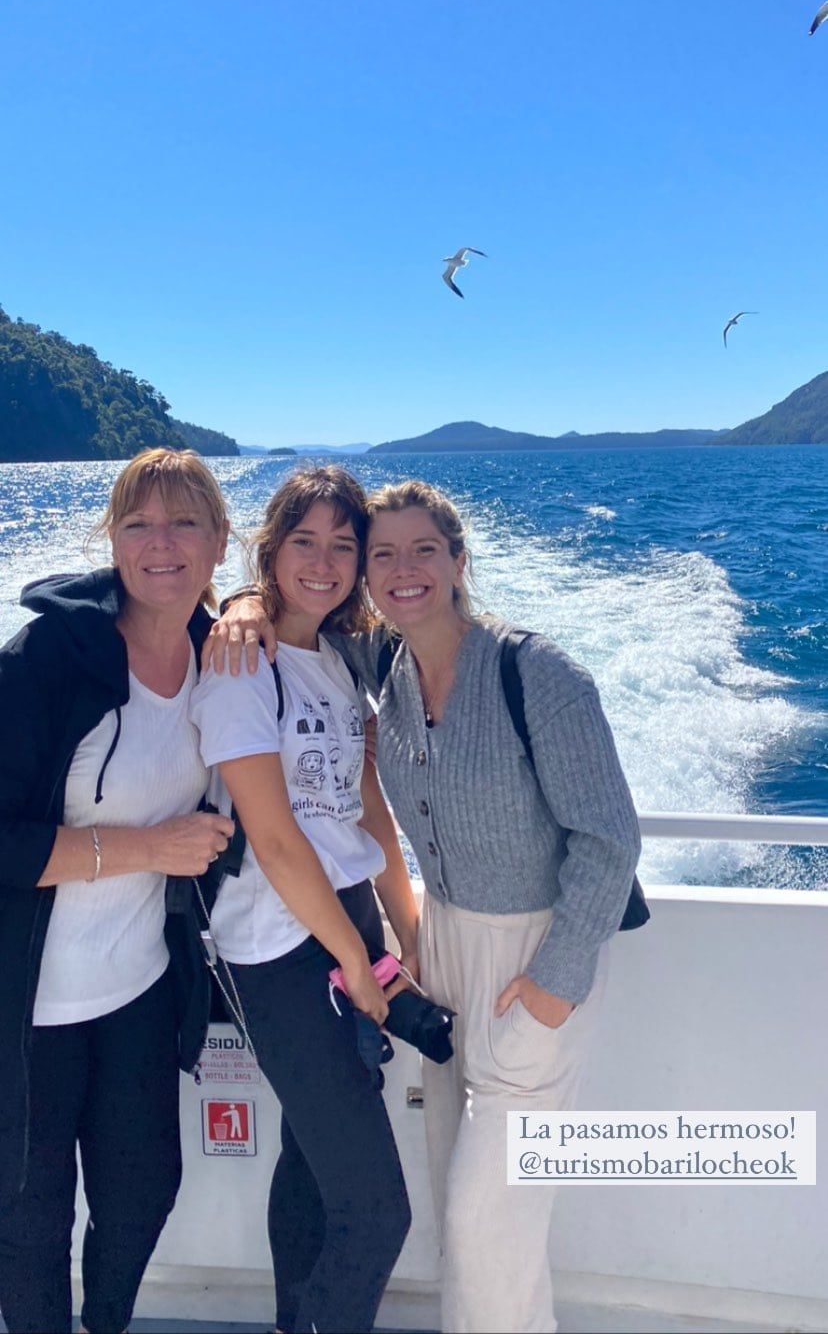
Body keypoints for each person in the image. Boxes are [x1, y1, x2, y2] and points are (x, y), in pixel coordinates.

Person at [211, 476, 643, 1334]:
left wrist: (559, 979)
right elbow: (296, 622)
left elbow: (609, 840)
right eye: (382, 554)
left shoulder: (538, 673)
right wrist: (239, 601)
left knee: (486, 1225)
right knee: (459, 1201)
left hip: (534, 960)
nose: (399, 569)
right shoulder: (381, 664)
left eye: (423, 551)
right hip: (436, 948)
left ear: (458, 561)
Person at [0, 448, 234, 1334]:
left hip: (139, 988)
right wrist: (147, 847)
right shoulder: (47, 660)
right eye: (137, 523)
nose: (159, 543)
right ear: (112, 541)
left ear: (219, 542)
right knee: (28, 1219)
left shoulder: (226, 658)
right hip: (28, 1002)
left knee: (141, 1195)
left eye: (183, 522)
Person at [189, 467, 415, 1334]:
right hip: (276, 948)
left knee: (315, 1164)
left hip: (347, 916)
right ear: (272, 547)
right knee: (378, 1211)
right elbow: (276, 839)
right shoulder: (239, 663)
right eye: (304, 540)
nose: (322, 561)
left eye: (342, 545)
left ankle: (296, 1319)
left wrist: (404, 927)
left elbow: (367, 810)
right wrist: (356, 964)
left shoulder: (333, 658)